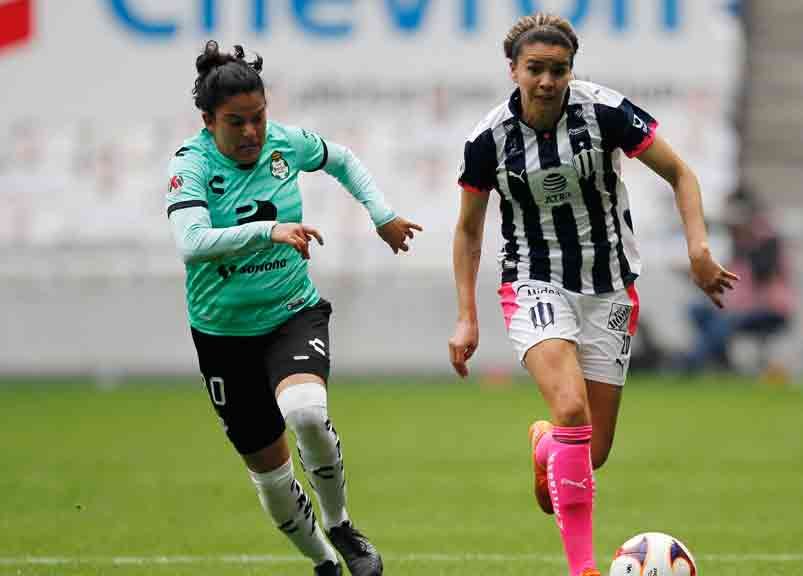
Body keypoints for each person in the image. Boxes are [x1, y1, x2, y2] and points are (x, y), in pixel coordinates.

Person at [447, 14, 737, 576]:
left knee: (591, 451)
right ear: (514, 71)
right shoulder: (488, 141)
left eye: (559, 69)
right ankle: (583, 568)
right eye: (536, 69)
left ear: (571, 71)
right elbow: (467, 230)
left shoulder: (604, 112)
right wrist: (466, 317)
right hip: (534, 281)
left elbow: (680, 173)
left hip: (609, 289)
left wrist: (698, 247)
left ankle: (544, 445)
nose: (548, 81)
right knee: (573, 412)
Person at [165, 41, 421, 576]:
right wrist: (270, 230)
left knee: (306, 412)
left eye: (258, 117)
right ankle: (324, 562)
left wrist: (382, 215)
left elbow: (343, 159)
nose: (252, 132)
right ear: (208, 121)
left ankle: (342, 527)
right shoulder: (190, 165)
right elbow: (190, 240)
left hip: (291, 312)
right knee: (271, 474)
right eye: (236, 123)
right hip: (222, 335)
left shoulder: (287, 144)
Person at [678, 185, 793, 372]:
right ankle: (723, 365)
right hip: (739, 307)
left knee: (722, 323)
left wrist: (746, 240)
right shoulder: (737, 241)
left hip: (768, 307)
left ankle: (692, 363)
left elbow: (761, 273)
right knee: (698, 311)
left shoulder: (765, 239)